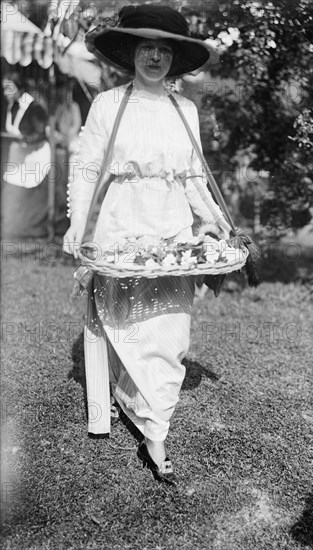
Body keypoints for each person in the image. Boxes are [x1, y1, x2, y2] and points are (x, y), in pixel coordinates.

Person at [63, 4, 231, 486]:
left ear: (174, 57)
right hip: (122, 224)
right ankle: (133, 403)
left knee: (170, 331)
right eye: (145, 47)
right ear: (132, 53)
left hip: (173, 229)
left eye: (163, 49)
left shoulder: (186, 109)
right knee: (124, 319)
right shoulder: (109, 105)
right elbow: (87, 165)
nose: (154, 57)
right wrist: (79, 222)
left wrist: (216, 222)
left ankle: (155, 423)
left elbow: (196, 176)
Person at [1, 72, 50, 239]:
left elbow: (40, 132)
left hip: (35, 154)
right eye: (4, 88)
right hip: (19, 155)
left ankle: (34, 230)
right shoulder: (12, 105)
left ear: (19, 87)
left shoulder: (34, 107)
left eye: (9, 88)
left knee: (31, 193)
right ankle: (17, 227)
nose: (6, 92)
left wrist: (25, 139)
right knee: (13, 189)